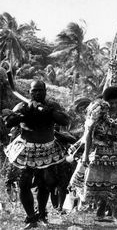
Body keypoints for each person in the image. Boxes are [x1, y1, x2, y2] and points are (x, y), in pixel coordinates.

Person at [4, 80, 70, 229]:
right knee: (24, 184)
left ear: (45, 92)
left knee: (45, 184)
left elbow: (65, 120)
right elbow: (9, 122)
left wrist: (49, 112)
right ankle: (31, 218)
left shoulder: (51, 106)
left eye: (41, 90)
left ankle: (42, 214)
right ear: (29, 92)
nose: (38, 93)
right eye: (34, 91)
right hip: (26, 148)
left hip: (48, 148)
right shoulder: (22, 106)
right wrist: (25, 112)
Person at [69, 86, 117, 222]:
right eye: (111, 102)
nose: (114, 105)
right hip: (100, 152)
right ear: (105, 101)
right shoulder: (97, 112)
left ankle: (114, 214)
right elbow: (89, 135)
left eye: (116, 102)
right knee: (100, 181)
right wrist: (85, 155)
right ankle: (101, 208)